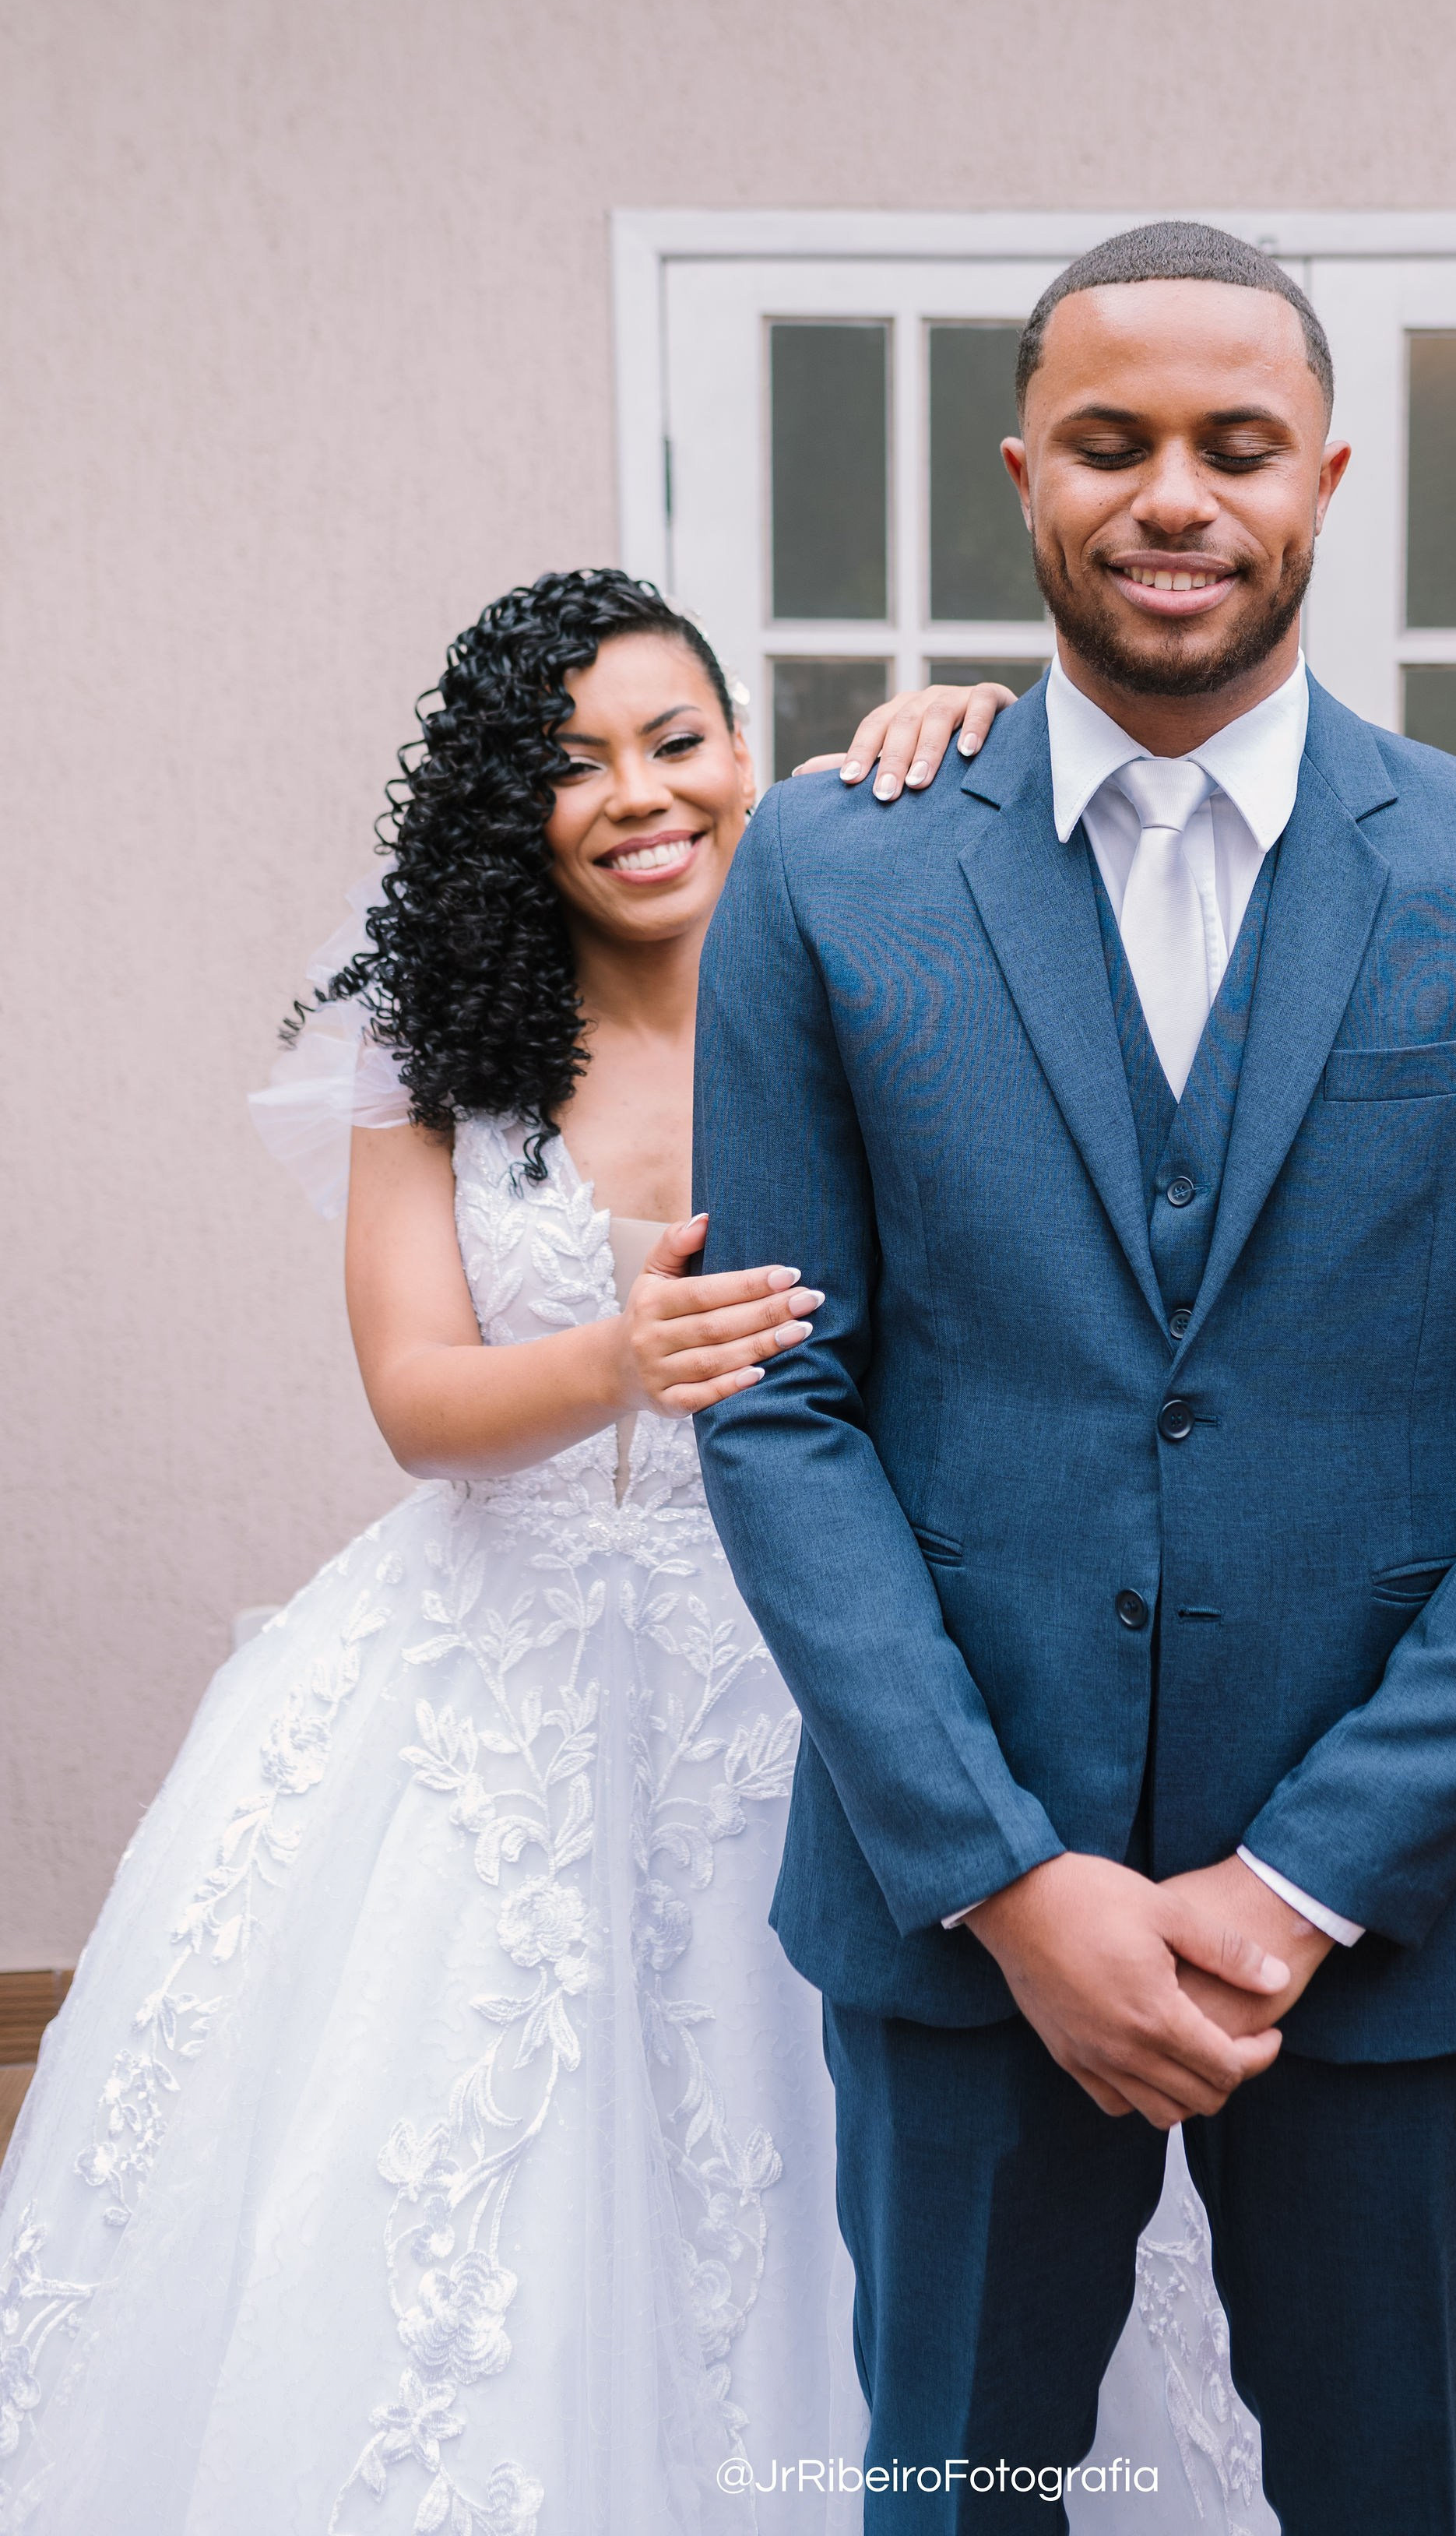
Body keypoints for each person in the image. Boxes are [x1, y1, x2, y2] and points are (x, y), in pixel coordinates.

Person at [691, 223, 1456, 2534]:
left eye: (1235, 445)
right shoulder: (830, 878)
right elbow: (779, 1398)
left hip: (1383, 1925)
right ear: (1024, 471)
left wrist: (1300, 1884)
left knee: (1381, 2492)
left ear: (1322, 478)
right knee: (953, 2496)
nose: (1176, 495)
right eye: (1116, 443)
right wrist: (1008, 1878)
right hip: (964, 1916)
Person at [0, 579, 1045, 2531]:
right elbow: (416, 1400)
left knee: (863, 2158)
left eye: (676, 740)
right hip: (500, 1682)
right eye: (569, 766)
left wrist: (976, 716)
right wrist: (617, 1358)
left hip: (811, 1659)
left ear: (748, 752)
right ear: (508, 812)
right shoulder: (430, 1043)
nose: (639, 797)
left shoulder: (855, 940)